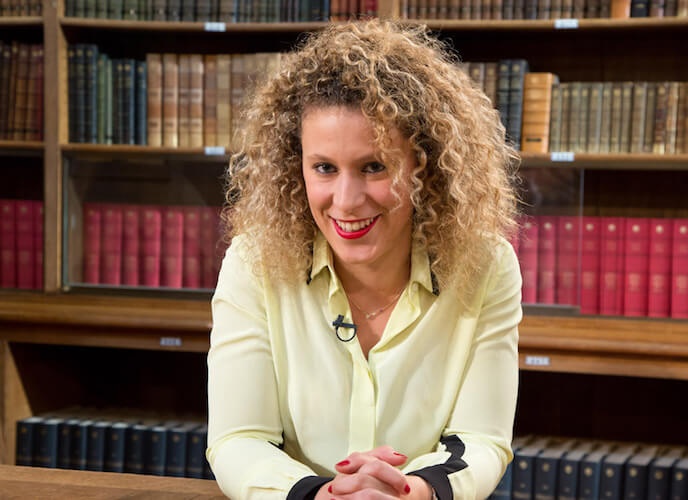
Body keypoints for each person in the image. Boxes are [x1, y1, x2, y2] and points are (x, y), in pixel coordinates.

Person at [206, 19, 523, 500]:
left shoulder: (486, 265)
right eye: (324, 168)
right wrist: (322, 496)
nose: (347, 200)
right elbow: (239, 439)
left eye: (374, 167)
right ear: (297, 167)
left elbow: (480, 440)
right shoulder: (253, 262)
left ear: (423, 165)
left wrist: (411, 492)